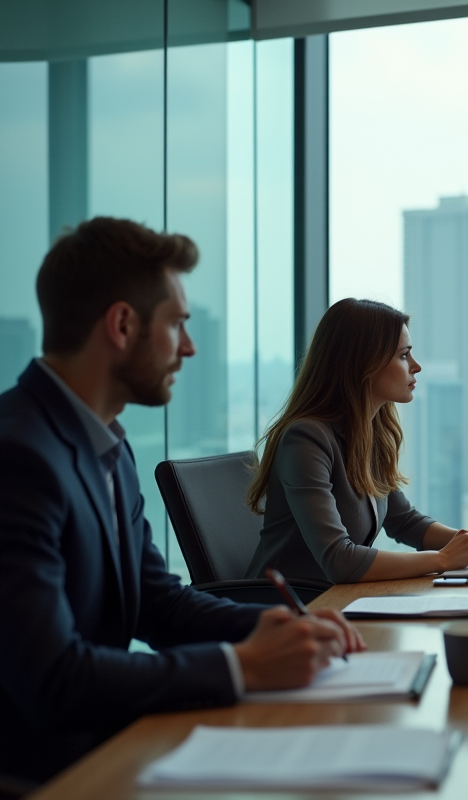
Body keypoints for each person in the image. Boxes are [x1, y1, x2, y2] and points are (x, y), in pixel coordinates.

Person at [0, 218, 365, 785]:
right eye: (177, 324)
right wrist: (241, 665)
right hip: (50, 775)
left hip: (111, 749)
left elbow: (157, 604)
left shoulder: (109, 447)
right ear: (122, 324)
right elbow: (53, 681)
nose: (189, 347)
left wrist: (278, 626)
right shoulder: (18, 456)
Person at [244, 298, 468, 585]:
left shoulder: (371, 432)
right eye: (404, 355)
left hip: (336, 603)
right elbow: (339, 560)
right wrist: (442, 559)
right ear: (363, 364)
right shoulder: (305, 440)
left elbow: (405, 521)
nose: (416, 366)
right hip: (284, 609)